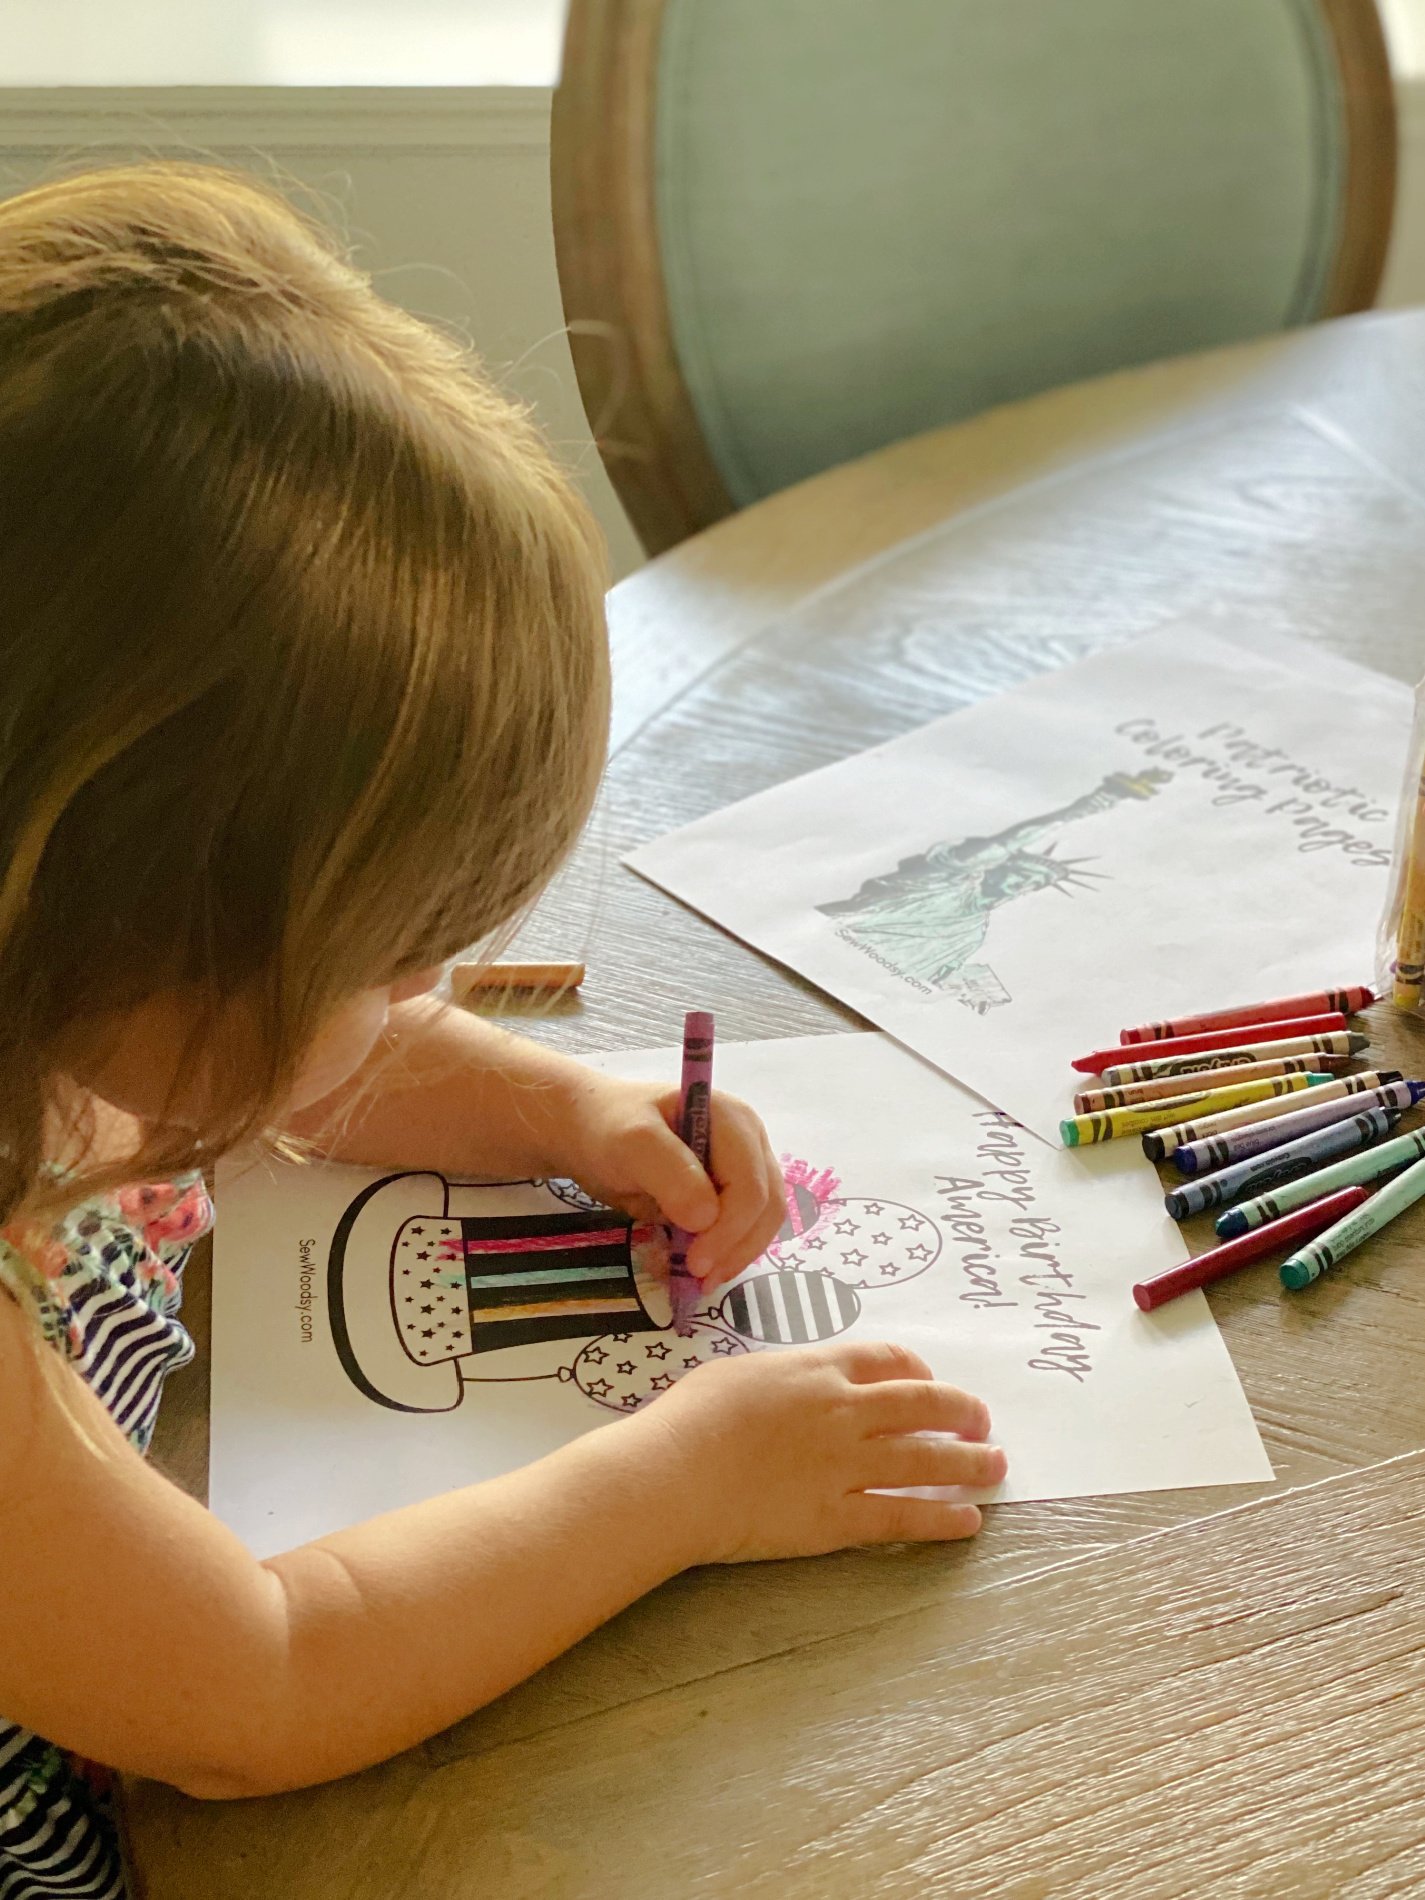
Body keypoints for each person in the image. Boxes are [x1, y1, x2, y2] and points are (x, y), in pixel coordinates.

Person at [0, 164, 1006, 1896]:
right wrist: (690, 1478)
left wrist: (552, 1113)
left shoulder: (68, 983)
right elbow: (258, 1684)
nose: (423, 1004)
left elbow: (260, 1044)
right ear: (122, 914)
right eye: (388, 959)